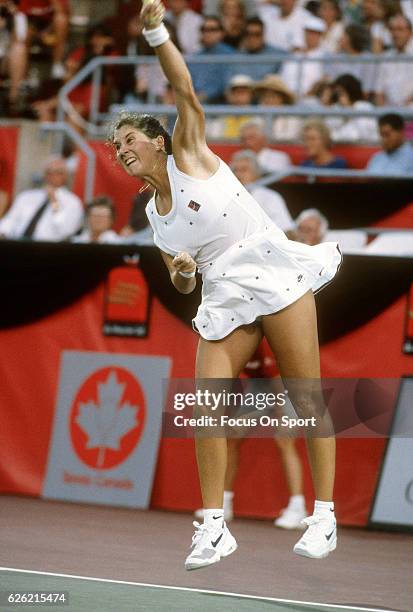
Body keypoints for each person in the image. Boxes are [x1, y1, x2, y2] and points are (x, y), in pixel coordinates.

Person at [110, 0, 342, 571]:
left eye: (129, 142)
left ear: (158, 141)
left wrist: (157, 33)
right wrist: (185, 270)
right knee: (204, 402)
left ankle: (324, 516)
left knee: (306, 397)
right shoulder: (156, 217)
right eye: (116, 149)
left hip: (273, 271)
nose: (121, 152)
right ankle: (214, 527)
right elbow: (181, 280)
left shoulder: (189, 150)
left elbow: (184, 87)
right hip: (225, 294)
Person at [0, 157, 83, 241]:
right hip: (17, 244)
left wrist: (55, 202)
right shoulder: (26, 196)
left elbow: (66, 230)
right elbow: (10, 220)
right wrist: (2, 231)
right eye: (49, 172)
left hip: (47, 248)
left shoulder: (73, 202)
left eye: (58, 172)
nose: (52, 176)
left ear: (65, 176)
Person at [230, 149, 294, 231]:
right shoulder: (226, 196)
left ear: (256, 174)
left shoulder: (271, 197)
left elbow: (285, 228)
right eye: (235, 170)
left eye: (244, 170)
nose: (238, 175)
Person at [189, 15, 235, 103]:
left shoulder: (230, 54)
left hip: (221, 103)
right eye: (204, 30)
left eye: (212, 29)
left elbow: (227, 83)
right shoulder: (196, 56)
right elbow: (190, 82)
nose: (207, 33)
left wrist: (205, 95)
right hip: (196, 102)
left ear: (222, 33)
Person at [327, 74, 378, 143]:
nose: (339, 97)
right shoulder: (336, 108)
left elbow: (359, 136)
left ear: (350, 92)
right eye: (337, 93)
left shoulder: (365, 107)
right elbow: (329, 132)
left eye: (341, 93)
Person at [375, 14, 413, 106]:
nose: (395, 34)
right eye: (392, 30)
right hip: (390, 113)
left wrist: (404, 108)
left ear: (410, 32)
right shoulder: (386, 57)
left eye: (400, 29)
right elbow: (379, 92)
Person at [253, 75, 302, 141]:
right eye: (265, 96)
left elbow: (289, 138)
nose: (268, 100)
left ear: (282, 99)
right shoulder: (256, 114)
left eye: (273, 96)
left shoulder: (292, 117)